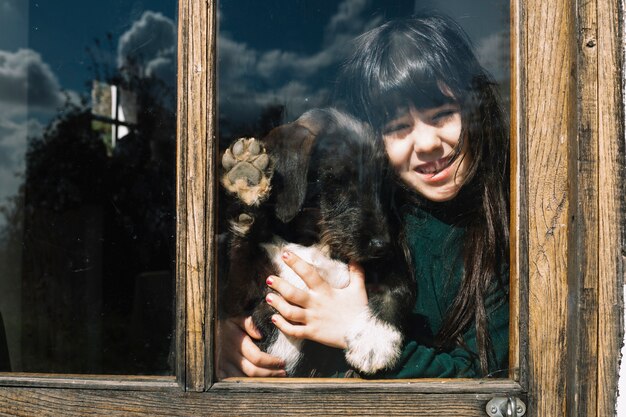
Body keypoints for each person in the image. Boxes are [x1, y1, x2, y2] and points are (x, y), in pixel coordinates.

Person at [218, 11, 510, 379]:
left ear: (474, 110)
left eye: (442, 114)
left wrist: (350, 326)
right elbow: (244, 285)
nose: (427, 143)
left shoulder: (503, 235)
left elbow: (490, 386)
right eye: (398, 127)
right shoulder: (370, 214)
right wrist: (215, 339)